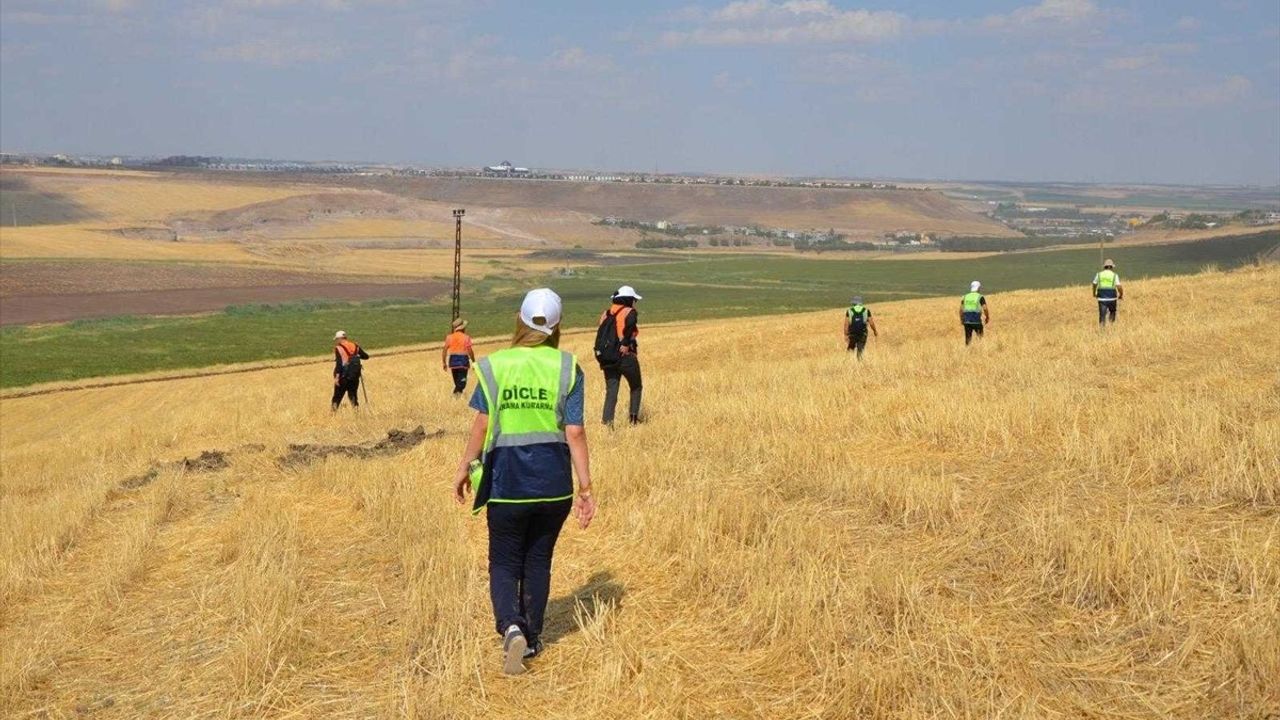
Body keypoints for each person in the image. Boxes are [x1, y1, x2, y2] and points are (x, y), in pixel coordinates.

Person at [452, 288, 596, 676]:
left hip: (506, 484)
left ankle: (510, 626)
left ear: (519, 318)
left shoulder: (495, 366)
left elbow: (481, 423)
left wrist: (465, 466)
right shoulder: (568, 367)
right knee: (538, 560)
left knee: (503, 560)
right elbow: (576, 432)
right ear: (557, 326)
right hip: (554, 487)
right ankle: (531, 639)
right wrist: (586, 489)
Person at [598, 286, 642, 426]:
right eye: (634, 299)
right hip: (625, 356)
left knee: (611, 391)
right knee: (636, 387)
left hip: (607, 358)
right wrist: (625, 343)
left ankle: (607, 423)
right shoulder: (630, 311)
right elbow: (630, 327)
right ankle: (633, 420)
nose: (635, 302)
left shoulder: (606, 313)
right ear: (628, 299)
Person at [332, 330, 369, 410]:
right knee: (353, 396)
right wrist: (356, 356)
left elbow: (339, 364)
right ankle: (356, 414)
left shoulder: (338, 348)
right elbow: (366, 356)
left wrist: (337, 378)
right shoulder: (355, 346)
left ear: (340, 338)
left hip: (343, 377)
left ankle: (332, 417)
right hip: (354, 376)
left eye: (337, 339)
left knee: (337, 397)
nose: (337, 341)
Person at [442, 318, 476, 395]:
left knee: (458, 383)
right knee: (462, 383)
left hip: (453, 362)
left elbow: (444, 350)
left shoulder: (449, 337)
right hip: (463, 362)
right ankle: (455, 397)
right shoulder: (466, 337)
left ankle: (455, 400)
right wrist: (473, 361)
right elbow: (469, 350)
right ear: (463, 328)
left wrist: (444, 362)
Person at [843, 295, 879, 360]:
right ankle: (859, 362)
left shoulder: (849, 311)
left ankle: (847, 362)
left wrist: (846, 335)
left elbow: (846, 324)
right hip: (863, 333)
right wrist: (875, 331)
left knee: (850, 349)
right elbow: (871, 323)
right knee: (860, 349)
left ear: (853, 303)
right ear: (861, 303)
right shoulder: (866, 310)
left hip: (852, 333)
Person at [1092, 259, 1124, 325]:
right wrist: (1121, 294)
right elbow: (1119, 286)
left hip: (1101, 298)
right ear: (1112, 267)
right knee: (1112, 311)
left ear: (1104, 267)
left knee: (1102, 315)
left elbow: (1094, 284)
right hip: (1112, 297)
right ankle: (1111, 326)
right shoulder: (1115, 275)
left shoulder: (1099, 274)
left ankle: (1102, 331)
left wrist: (1094, 293)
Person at [960, 281, 989, 346]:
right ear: (978, 288)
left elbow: (961, 310)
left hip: (967, 321)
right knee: (980, 339)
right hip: (976, 321)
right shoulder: (980, 297)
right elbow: (985, 308)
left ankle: (967, 353)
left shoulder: (965, 296)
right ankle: (980, 351)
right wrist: (987, 317)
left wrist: (962, 319)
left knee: (968, 340)